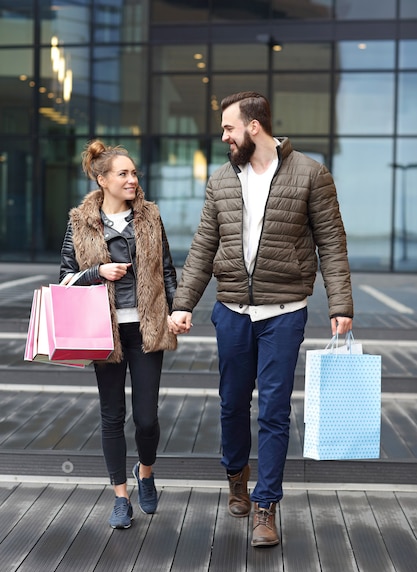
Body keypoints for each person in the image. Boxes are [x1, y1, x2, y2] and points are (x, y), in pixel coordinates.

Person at [170, 92, 353, 548]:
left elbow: (331, 242)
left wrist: (341, 305)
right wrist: (183, 304)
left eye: (229, 128)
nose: (224, 137)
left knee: (273, 410)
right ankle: (237, 473)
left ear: (254, 126)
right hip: (231, 310)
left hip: (284, 313)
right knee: (232, 404)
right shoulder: (220, 181)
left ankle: (266, 503)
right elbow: (202, 248)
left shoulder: (311, 174)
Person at [60, 139, 178, 529]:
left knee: (146, 418)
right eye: (124, 173)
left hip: (146, 330)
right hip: (102, 332)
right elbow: (64, 279)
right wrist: (98, 272)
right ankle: (120, 496)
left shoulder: (149, 217)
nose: (133, 179)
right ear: (103, 179)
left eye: (134, 173)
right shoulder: (79, 221)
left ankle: (146, 472)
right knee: (112, 415)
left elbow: (168, 271)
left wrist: (177, 311)